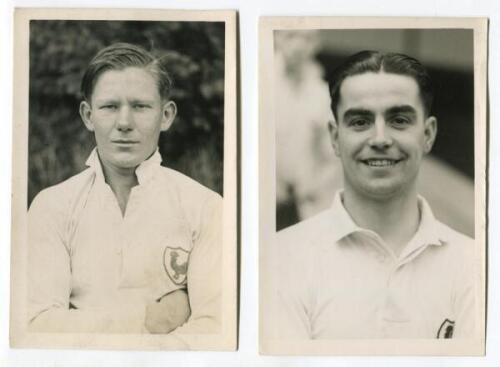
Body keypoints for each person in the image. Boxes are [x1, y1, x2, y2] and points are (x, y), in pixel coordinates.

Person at [266, 51, 475, 340]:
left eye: (399, 119)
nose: (379, 139)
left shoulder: (474, 264)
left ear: (427, 135)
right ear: (335, 138)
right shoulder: (280, 258)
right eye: (360, 121)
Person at [27, 43, 222, 340]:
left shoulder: (205, 207)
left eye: (141, 106)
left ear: (166, 115)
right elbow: (37, 327)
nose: (124, 123)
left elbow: (215, 330)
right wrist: (148, 319)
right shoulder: (52, 206)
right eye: (110, 107)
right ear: (88, 115)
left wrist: (81, 325)